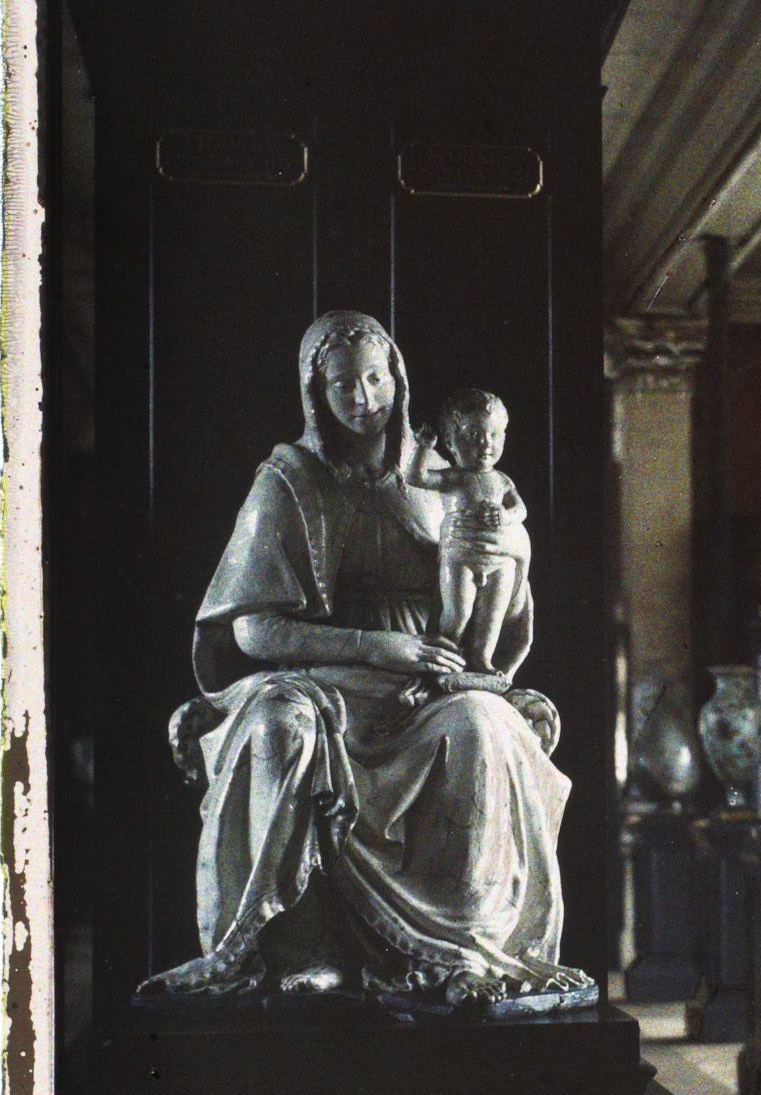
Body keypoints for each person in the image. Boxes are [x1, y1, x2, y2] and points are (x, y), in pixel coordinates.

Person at [139, 309, 595, 1013]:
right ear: (315, 393)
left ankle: (465, 950)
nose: (363, 397)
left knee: (483, 725)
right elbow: (255, 630)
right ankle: (301, 947)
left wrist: (505, 569)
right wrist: (371, 646)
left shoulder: (448, 472)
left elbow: (503, 596)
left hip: (430, 679)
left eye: (375, 377)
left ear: (398, 377)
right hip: (323, 680)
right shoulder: (287, 481)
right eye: (343, 384)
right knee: (278, 726)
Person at [407, 387, 530, 676]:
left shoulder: (502, 481)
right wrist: (423, 448)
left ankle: (481, 660)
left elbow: (520, 510)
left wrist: (505, 515)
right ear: (451, 441)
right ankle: (446, 657)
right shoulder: (453, 478)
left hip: (500, 562)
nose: (486, 444)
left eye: (495, 435)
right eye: (473, 436)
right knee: (458, 613)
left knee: (492, 615)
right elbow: (417, 477)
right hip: (460, 555)